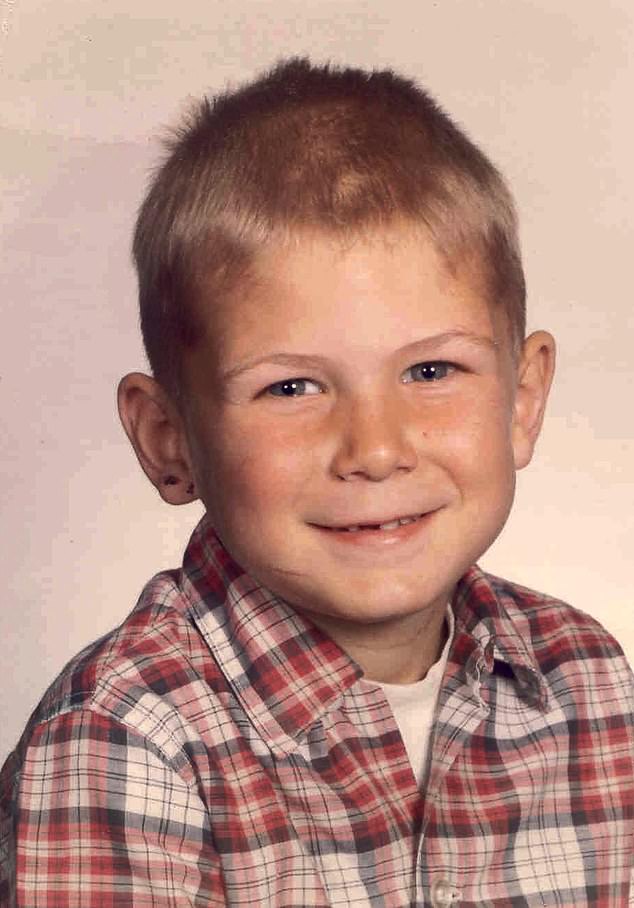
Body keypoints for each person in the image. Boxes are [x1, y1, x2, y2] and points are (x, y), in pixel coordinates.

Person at [1, 58, 632, 907]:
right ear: (169, 440)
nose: (374, 449)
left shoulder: (591, 686)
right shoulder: (124, 742)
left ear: (523, 401)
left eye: (433, 369)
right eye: (290, 388)